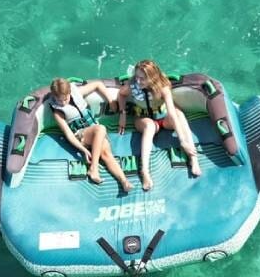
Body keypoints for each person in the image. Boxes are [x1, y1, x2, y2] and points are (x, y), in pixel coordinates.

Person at [117, 59, 201, 190]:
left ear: (152, 77)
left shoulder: (163, 87)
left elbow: (172, 114)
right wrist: (122, 114)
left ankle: (193, 157)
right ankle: (144, 171)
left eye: (142, 78)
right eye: (137, 77)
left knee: (179, 115)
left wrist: (182, 141)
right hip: (143, 119)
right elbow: (121, 95)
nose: (138, 81)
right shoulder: (132, 85)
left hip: (163, 118)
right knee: (150, 126)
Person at [48, 78, 134, 192]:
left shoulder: (76, 92)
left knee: (106, 154)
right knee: (101, 128)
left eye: (65, 99)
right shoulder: (57, 111)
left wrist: (111, 100)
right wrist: (83, 150)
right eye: (59, 101)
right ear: (54, 98)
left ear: (69, 93)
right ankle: (94, 168)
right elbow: (69, 135)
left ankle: (124, 181)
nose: (63, 103)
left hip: (94, 132)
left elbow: (98, 84)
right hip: (81, 136)